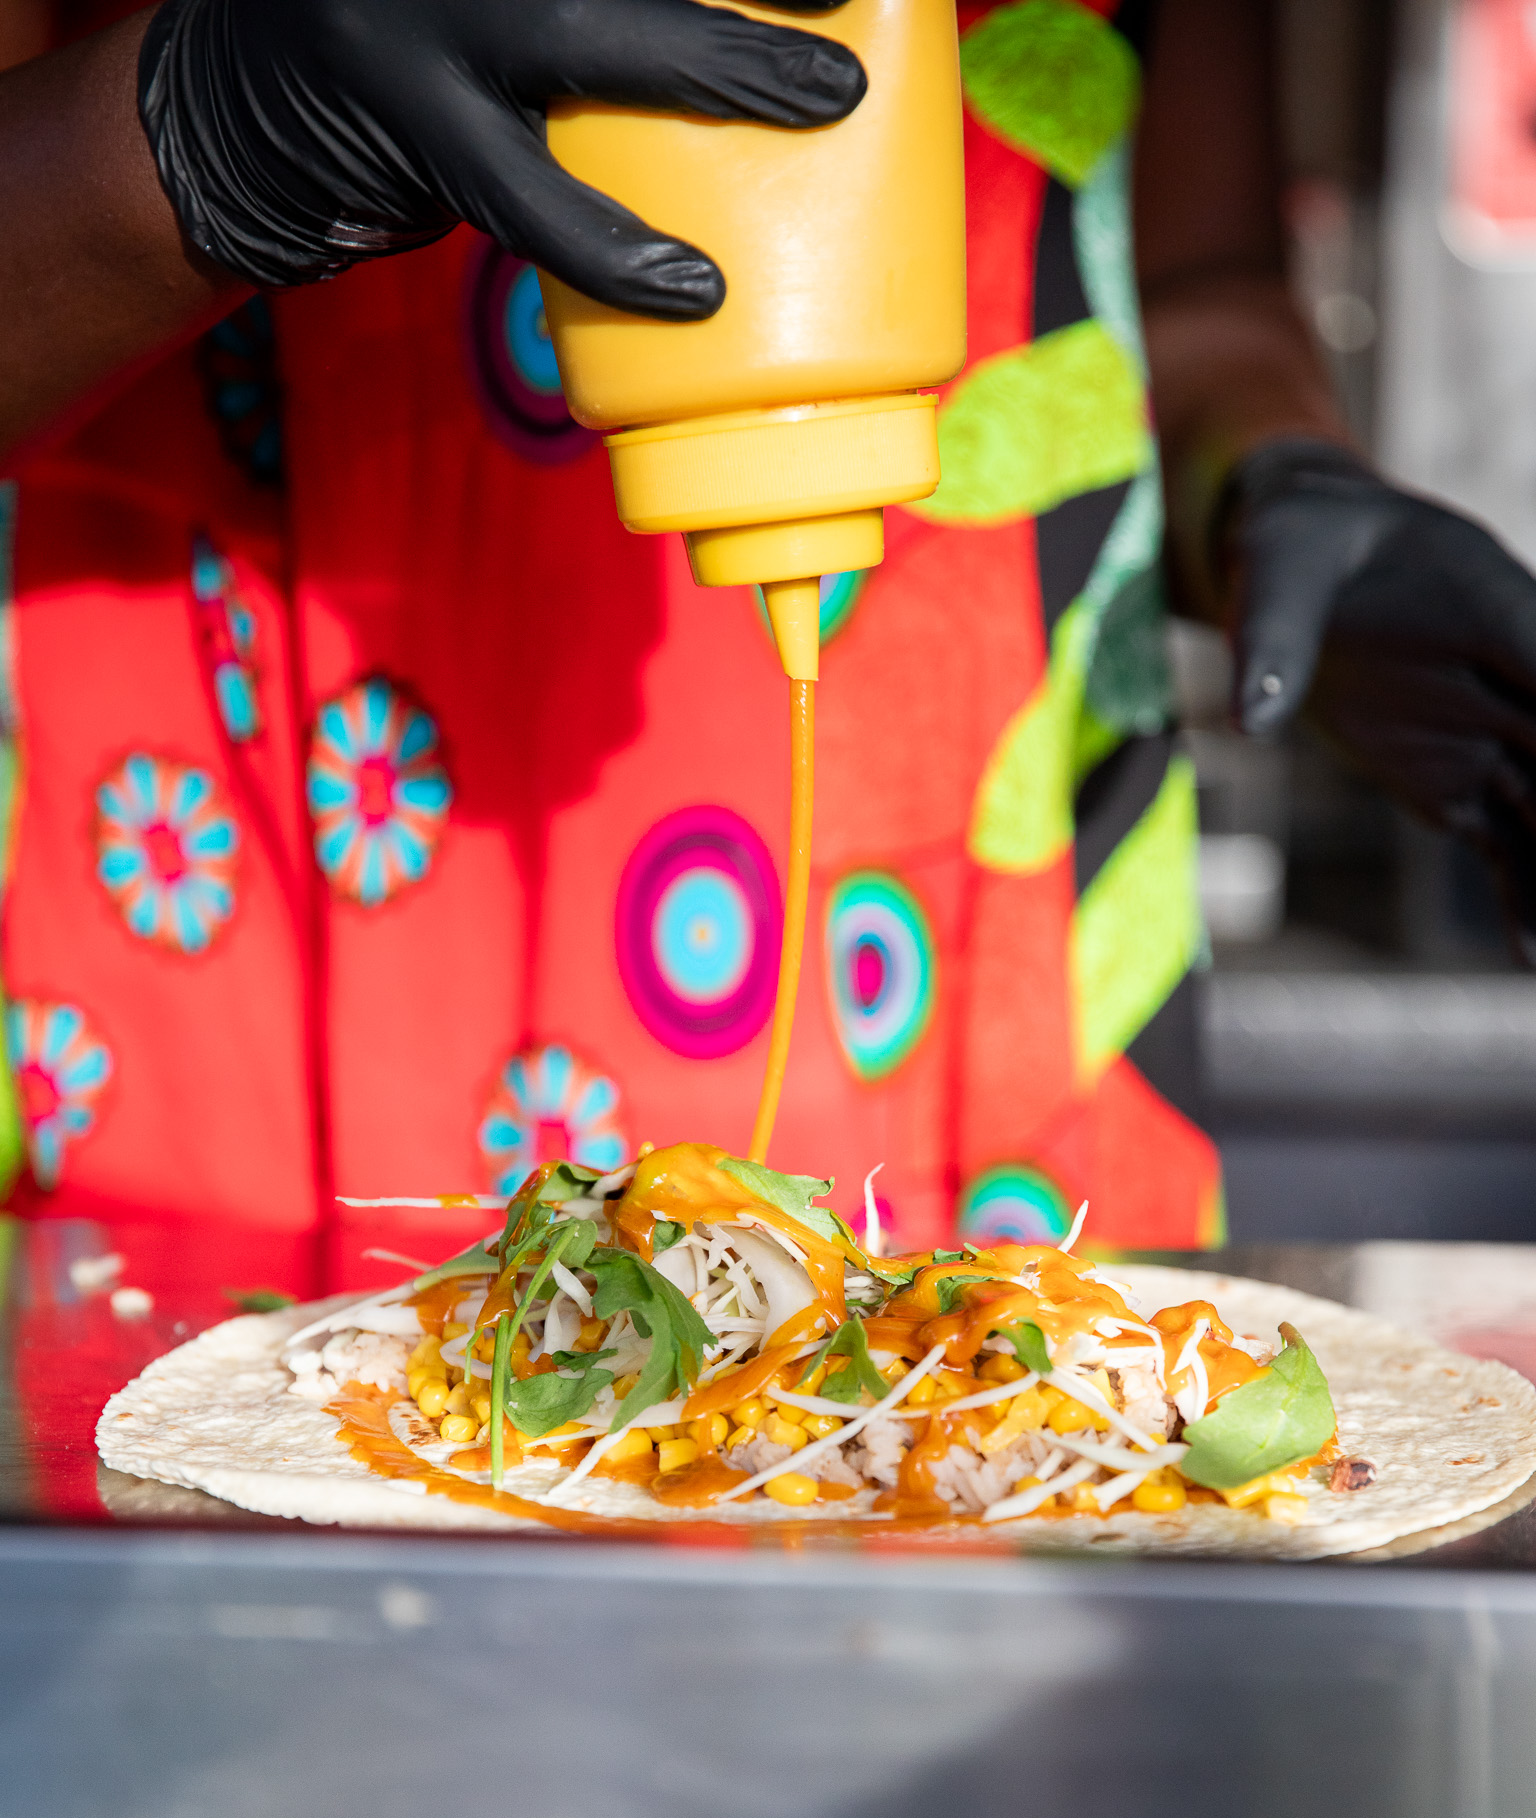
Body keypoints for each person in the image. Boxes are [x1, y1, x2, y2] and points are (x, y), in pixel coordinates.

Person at [0, 0, 1532, 1254]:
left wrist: (1268, 483)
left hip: (978, 930)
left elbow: (1190, 290)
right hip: (234, 908)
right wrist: (200, 121)